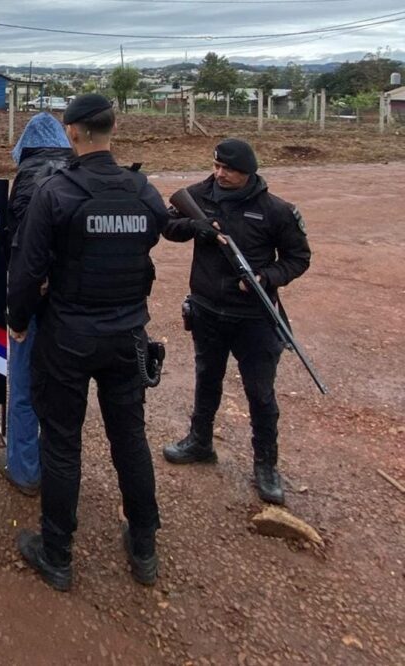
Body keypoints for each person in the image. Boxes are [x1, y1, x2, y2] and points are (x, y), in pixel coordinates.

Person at [7, 94, 168, 591]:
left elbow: (28, 269)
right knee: (131, 439)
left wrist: (17, 320)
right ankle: (143, 545)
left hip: (69, 337)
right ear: (112, 128)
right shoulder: (143, 191)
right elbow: (151, 243)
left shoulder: (57, 193)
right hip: (127, 336)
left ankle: (57, 554)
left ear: (72, 132)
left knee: (61, 443)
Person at [162, 138, 311, 505]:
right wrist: (198, 229)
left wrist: (267, 278)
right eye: (216, 166)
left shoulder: (276, 210)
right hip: (208, 310)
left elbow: (298, 257)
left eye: (229, 170)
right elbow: (168, 225)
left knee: (260, 393)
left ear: (249, 173)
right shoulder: (200, 195)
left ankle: (266, 464)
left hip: (254, 318)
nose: (220, 174)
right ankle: (200, 442)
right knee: (206, 379)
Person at [0, 112, 73, 497]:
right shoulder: (78, 175)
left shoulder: (28, 180)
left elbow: (25, 255)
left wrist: (18, 313)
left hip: (35, 302)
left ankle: (25, 468)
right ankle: (57, 467)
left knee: (24, 384)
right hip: (73, 307)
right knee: (62, 389)